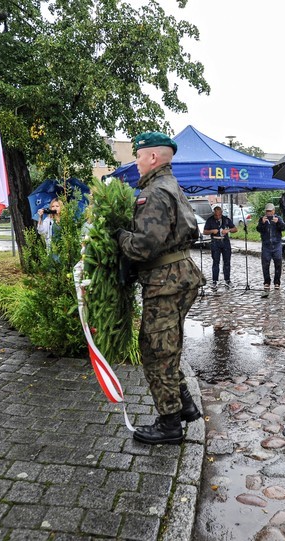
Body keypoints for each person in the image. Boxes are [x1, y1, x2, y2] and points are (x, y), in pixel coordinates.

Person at [116, 132, 205, 445]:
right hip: (177, 277)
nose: (136, 161)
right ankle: (185, 406)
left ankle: (169, 423)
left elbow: (143, 246)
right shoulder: (172, 186)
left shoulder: (154, 191)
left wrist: (119, 235)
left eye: (139, 155)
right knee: (168, 346)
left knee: (157, 352)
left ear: (152, 157)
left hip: (166, 282)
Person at [203, 205, 237, 288]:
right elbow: (204, 232)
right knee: (215, 262)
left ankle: (227, 280)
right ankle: (215, 281)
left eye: (219, 215)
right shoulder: (210, 220)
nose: (217, 216)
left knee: (227, 262)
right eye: (216, 215)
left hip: (225, 241)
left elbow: (235, 229)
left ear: (221, 213)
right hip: (215, 242)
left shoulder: (226, 219)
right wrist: (212, 231)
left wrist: (228, 230)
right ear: (213, 213)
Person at [256, 202, 285, 290]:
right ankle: (267, 282)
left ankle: (277, 282)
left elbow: (284, 228)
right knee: (265, 264)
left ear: (274, 211)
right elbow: (258, 229)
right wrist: (262, 223)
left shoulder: (278, 218)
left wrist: (278, 223)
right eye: (267, 211)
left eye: (270, 211)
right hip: (266, 245)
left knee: (278, 264)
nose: (268, 213)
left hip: (277, 245)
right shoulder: (262, 219)